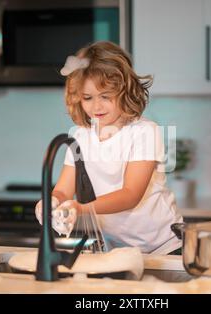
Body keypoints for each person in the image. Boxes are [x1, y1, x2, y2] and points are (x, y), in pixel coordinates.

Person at [35, 41, 183, 255]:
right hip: (118, 250)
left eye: (105, 96)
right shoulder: (80, 136)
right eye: (87, 98)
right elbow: (65, 188)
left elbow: (131, 194)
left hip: (163, 247)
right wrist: (53, 201)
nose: (96, 106)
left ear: (125, 91)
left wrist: (80, 208)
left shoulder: (144, 132)